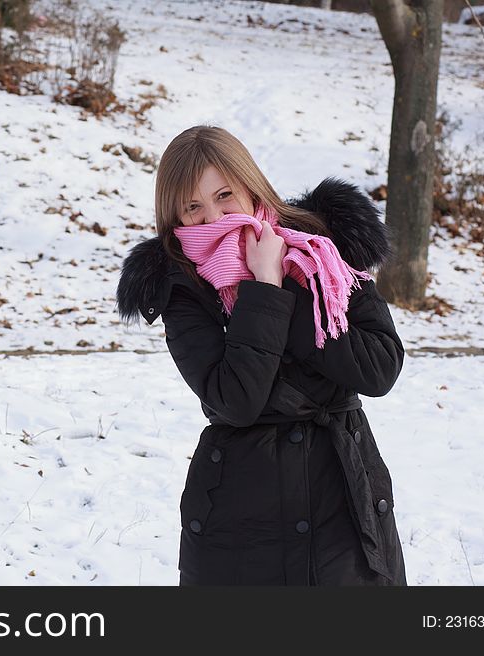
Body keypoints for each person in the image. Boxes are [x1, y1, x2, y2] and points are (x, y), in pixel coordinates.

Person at [115, 125, 407, 585]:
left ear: (251, 185)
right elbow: (235, 399)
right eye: (193, 206)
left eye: (224, 194)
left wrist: (288, 282)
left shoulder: (324, 247)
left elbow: (378, 368)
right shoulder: (181, 285)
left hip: (344, 502)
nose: (213, 217)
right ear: (175, 216)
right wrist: (263, 288)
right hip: (242, 517)